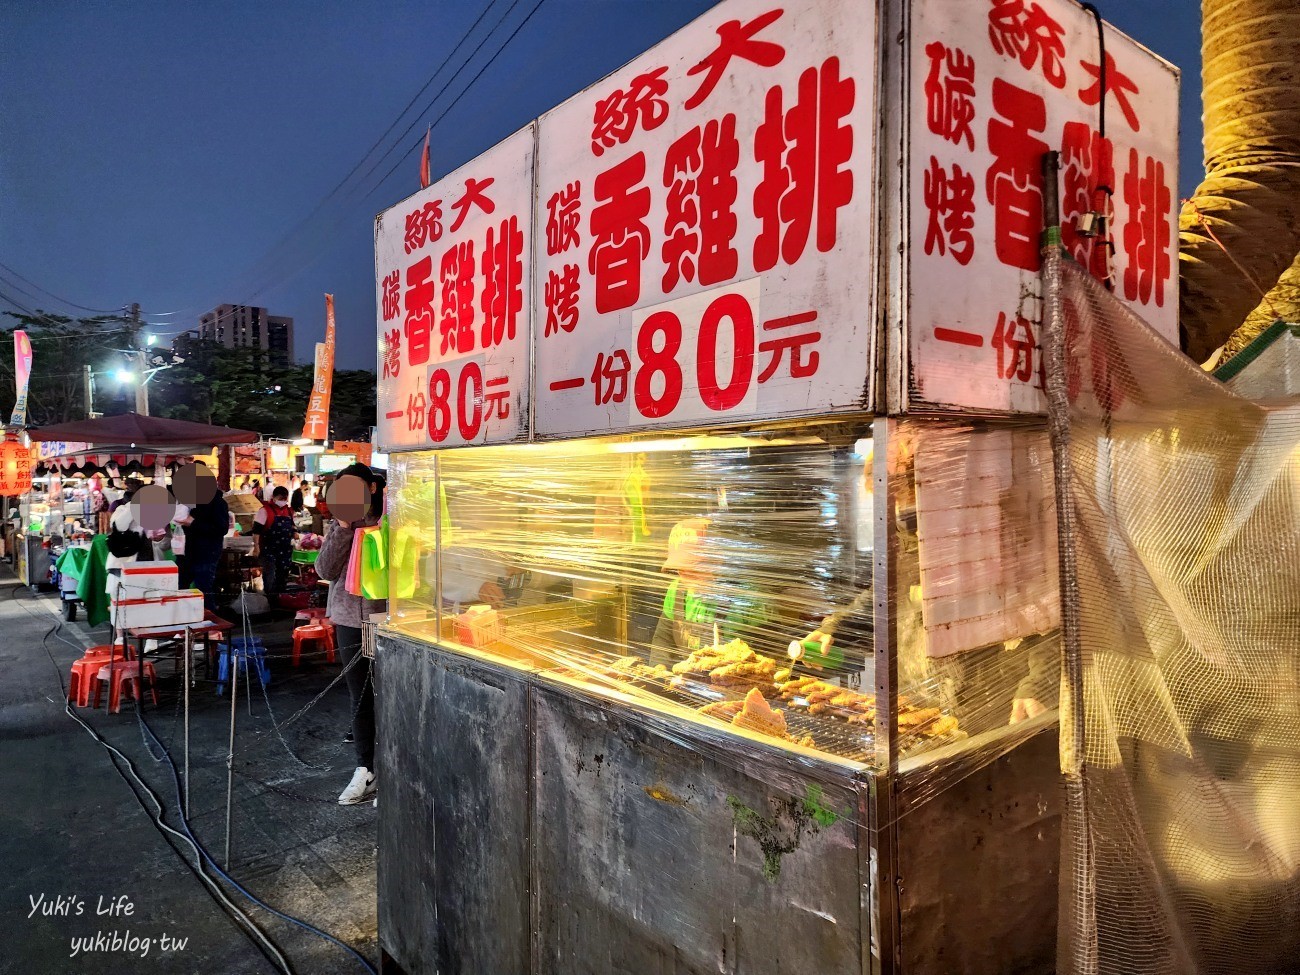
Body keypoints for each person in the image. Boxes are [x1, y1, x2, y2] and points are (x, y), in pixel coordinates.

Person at [315, 462, 386, 806]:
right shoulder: (341, 524)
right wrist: (343, 528)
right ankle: (366, 770)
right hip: (348, 620)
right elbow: (325, 570)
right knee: (360, 697)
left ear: (371, 489)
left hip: (386, 620)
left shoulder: (390, 520)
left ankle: (393, 768)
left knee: (389, 696)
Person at [176, 466, 230, 611]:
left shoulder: (218, 503)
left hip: (206, 553)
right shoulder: (189, 500)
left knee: (203, 590)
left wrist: (192, 522)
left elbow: (221, 529)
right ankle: (184, 624)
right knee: (180, 589)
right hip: (186, 553)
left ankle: (210, 628)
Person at [252, 485, 296, 600]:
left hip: (285, 550)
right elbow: (256, 531)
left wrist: (295, 533)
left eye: (284, 498)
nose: (282, 501)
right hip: (268, 549)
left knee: (283, 574)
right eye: (280, 498)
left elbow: (292, 525)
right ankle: (270, 600)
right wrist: (256, 547)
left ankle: (281, 600)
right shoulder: (265, 510)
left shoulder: (289, 511)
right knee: (270, 574)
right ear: (274, 497)